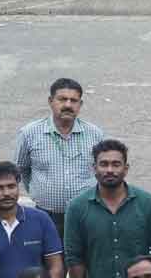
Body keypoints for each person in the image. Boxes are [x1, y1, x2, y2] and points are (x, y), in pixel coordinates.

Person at [62, 139, 151, 278]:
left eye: (116, 164)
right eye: (103, 164)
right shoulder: (77, 207)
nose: (109, 170)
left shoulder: (147, 203)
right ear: (94, 168)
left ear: (125, 169)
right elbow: (74, 259)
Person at [14, 78, 102, 215]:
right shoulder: (29, 133)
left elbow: (101, 170)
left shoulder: (95, 134)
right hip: (45, 215)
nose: (68, 105)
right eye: (62, 99)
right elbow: (21, 169)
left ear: (80, 104)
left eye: (73, 100)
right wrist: (37, 192)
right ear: (50, 101)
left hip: (86, 214)